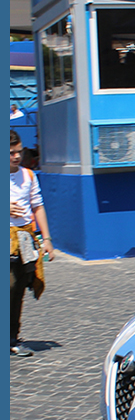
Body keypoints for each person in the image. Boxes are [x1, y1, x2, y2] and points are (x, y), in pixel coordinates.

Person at [10, 129, 53, 357]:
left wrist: (46, 239)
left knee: (18, 289)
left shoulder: (28, 175)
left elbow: (38, 206)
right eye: (11, 153)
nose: (16, 156)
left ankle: (12, 337)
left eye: (19, 152)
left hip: (25, 238)